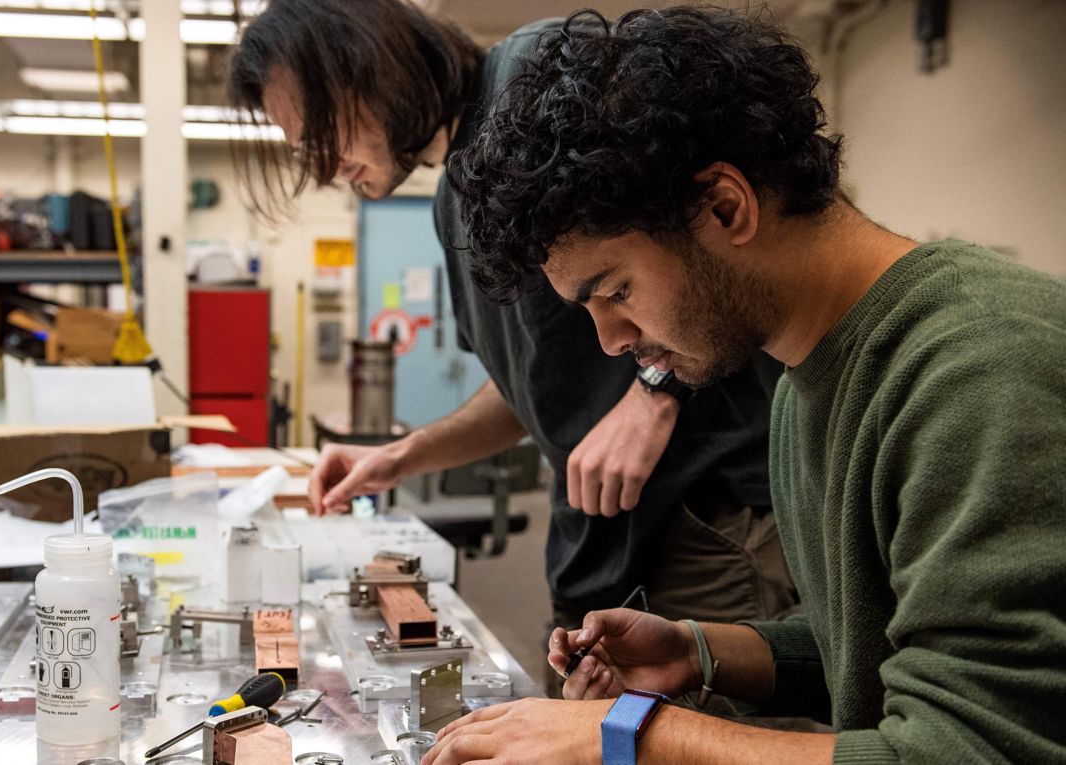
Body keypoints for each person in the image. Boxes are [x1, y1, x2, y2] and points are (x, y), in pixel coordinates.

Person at [422, 6, 1066, 764]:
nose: (612, 341)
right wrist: (701, 649)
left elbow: (972, 745)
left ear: (726, 206)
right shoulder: (800, 383)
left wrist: (636, 734)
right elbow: (867, 642)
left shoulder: (978, 369)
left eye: (617, 290)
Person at [228, 0, 795, 692]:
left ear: (366, 62)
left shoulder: (535, 78)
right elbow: (526, 384)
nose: (323, 168)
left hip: (708, 532)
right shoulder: (453, 197)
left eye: (323, 132)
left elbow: (696, 231)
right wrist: (400, 456)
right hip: (603, 556)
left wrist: (654, 391)